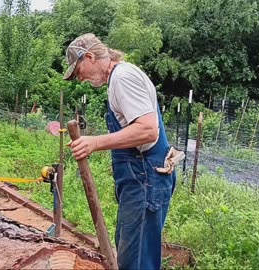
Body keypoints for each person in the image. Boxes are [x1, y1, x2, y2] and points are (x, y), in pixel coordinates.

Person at [64, 33, 179, 270]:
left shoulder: (123, 78)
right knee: (131, 254)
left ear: (90, 57)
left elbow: (148, 130)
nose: (80, 78)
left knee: (136, 261)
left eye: (78, 71)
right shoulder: (119, 78)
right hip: (140, 180)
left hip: (145, 179)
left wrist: (94, 143)